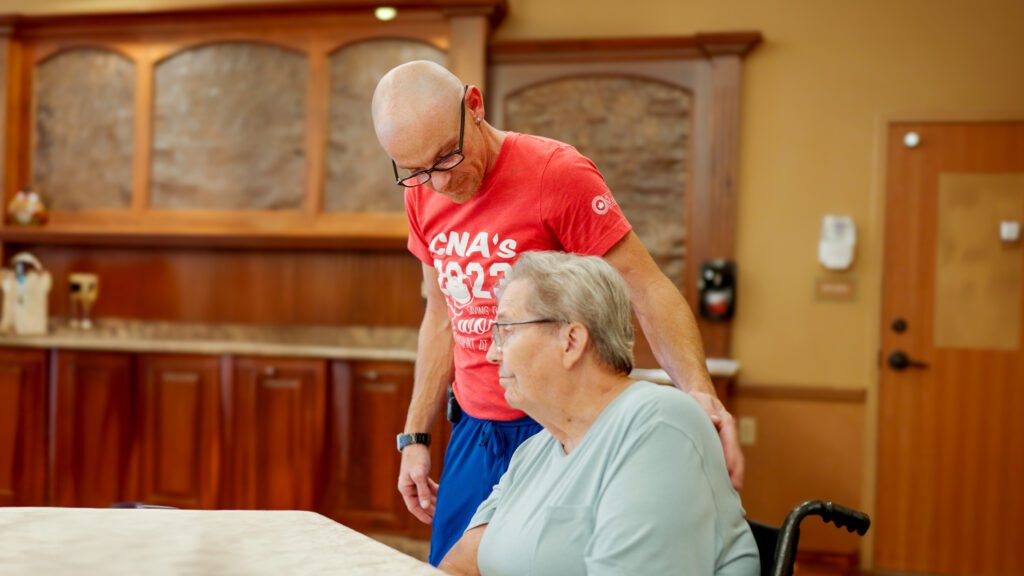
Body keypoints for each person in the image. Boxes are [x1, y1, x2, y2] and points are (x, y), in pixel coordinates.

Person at [371, 60, 744, 566]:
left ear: (474, 107)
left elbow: (646, 287)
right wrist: (415, 435)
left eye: (446, 157)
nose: (438, 184)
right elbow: (440, 317)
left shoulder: (556, 174)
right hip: (475, 431)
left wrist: (698, 392)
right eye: (415, 171)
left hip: (556, 429)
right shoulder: (423, 193)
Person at [439, 251, 758, 576]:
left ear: (571, 341)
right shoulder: (535, 450)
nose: (492, 353)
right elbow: (460, 564)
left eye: (506, 330)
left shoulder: (659, 426)